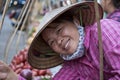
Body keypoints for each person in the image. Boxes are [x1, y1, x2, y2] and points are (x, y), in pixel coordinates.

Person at [1, 1, 120, 80]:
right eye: (51, 42)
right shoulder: (73, 65)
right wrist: (13, 77)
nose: (58, 41)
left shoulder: (103, 30)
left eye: (59, 30)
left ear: (76, 21)